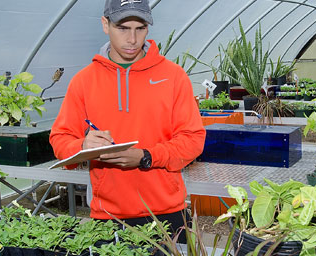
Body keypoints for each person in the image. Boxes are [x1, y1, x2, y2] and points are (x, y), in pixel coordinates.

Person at [49, 0, 206, 243]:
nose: (132, 39)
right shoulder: (84, 81)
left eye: (140, 28)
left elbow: (193, 140)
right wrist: (83, 146)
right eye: (123, 28)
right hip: (108, 216)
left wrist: (146, 156)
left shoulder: (173, 77)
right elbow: (60, 140)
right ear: (105, 25)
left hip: (166, 214)